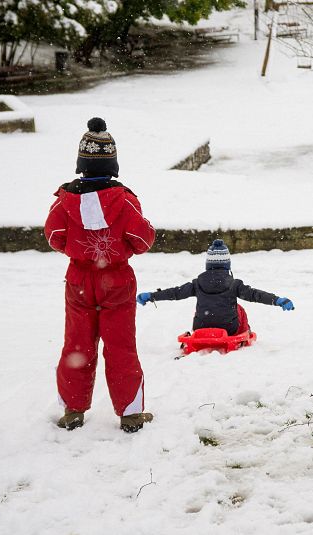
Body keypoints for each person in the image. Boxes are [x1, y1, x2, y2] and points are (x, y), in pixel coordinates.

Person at [44, 117, 156, 433]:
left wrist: (78, 250)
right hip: (117, 281)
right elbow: (143, 239)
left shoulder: (64, 201)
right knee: (121, 346)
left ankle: (73, 410)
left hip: (79, 280)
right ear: (113, 163)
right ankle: (131, 414)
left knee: (77, 345)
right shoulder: (125, 200)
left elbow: (54, 236)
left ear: (81, 163)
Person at [136, 239, 294, 335]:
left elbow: (175, 293)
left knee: (203, 307)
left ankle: (205, 324)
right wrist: (277, 300)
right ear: (227, 264)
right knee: (239, 309)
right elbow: (255, 295)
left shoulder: (197, 283)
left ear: (208, 264)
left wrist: (152, 296)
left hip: (201, 326)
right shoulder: (234, 284)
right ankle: (245, 333)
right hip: (229, 328)